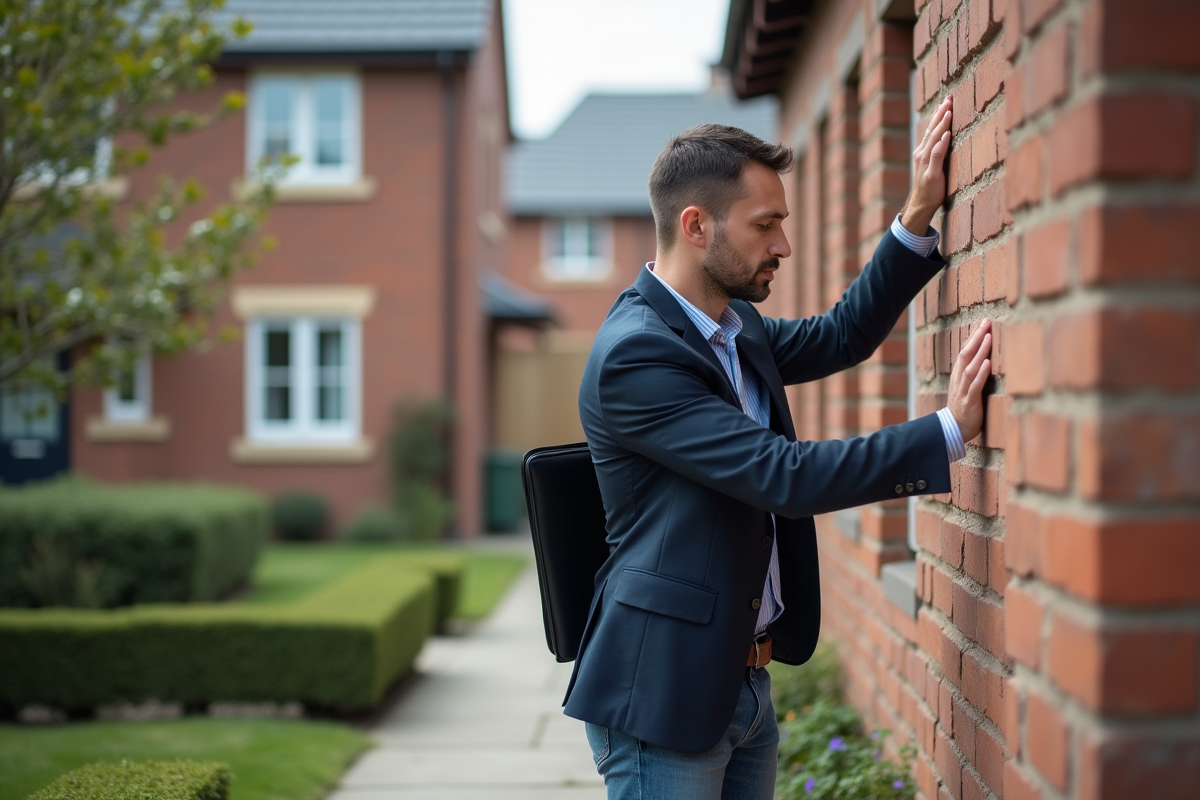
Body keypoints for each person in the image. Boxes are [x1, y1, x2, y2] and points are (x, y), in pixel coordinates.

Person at [566, 95, 991, 799]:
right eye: (765, 225)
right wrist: (946, 430)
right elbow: (784, 477)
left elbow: (842, 335)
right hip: (664, 693)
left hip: (743, 685)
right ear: (696, 226)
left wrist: (917, 214)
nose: (784, 246)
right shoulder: (636, 356)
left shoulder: (735, 327)